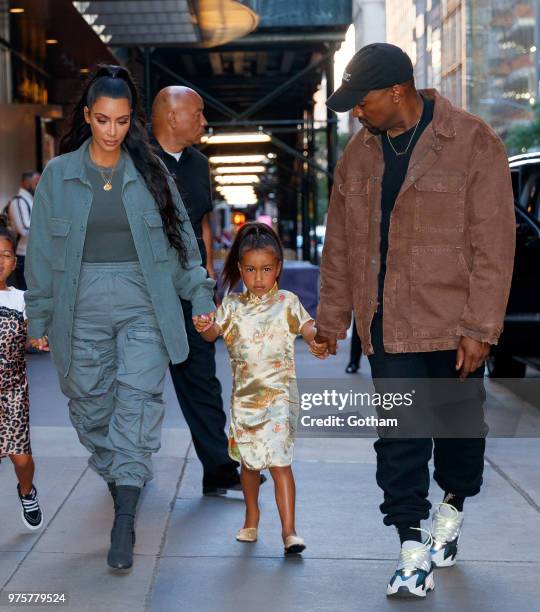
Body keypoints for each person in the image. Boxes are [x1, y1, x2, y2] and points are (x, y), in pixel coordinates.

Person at [317, 43, 515, 598]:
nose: (358, 111)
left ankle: (450, 509)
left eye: (363, 100)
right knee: (399, 439)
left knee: (458, 435)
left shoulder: (474, 142)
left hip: (453, 326)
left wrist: (480, 329)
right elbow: (340, 247)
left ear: (396, 91)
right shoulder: (357, 157)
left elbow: (494, 246)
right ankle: (410, 546)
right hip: (387, 327)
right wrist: (331, 321)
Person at [24, 65, 215, 571]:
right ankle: (122, 475)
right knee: (90, 405)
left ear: (133, 122)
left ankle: (124, 515)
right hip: (77, 301)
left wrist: (200, 298)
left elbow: (183, 248)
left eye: (123, 121)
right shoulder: (58, 179)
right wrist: (37, 321)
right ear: (87, 116)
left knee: (137, 399)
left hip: (143, 301)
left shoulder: (152, 172)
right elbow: (41, 255)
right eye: (104, 120)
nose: (113, 131)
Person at [151, 86, 260, 495]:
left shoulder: (198, 163)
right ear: (171, 116)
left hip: (190, 290)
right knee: (136, 386)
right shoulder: (136, 161)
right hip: (144, 294)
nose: (203, 121)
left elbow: (201, 225)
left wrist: (208, 280)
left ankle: (218, 470)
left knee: (202, 378)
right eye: (196, 114)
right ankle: (123, 470)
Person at [196, 222, 325, 554]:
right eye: (251, 270)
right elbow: (212, 335)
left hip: (281, 397)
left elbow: (309, 328)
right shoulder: (233, 306)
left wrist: (319, 338)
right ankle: (251, 514)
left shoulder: (287, 302)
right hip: (245, 401)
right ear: (240, 269)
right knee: (250, 463)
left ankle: (289, 531)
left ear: (278, 268)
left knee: (280, 461)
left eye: (266, 269)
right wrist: (204, 325)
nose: (258, 277)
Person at [0, 228, 44, 530]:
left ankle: (27, 491)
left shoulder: (21, 300)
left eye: (5, 255)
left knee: (22, 461)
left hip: (12, 390)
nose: (0, 261)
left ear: (15, 263)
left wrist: (38, 338)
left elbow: (33, 334)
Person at [7, 170, 40, 290]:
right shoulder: (19, 201)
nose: (38, 185)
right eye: (36, 182)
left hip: (33, 253)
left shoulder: (30, 199)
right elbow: (24, 229)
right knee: (25, 292)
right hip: (24, 255)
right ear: (26, 183)